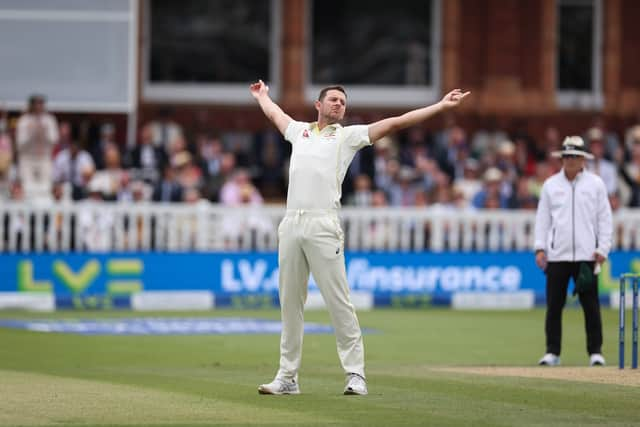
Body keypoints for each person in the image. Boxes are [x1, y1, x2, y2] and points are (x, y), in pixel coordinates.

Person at [250, 79, 469, 395]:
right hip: (291, 224)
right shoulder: (300, 131)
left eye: (343, 101)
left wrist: (440, 106)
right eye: (334, 100)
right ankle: (287, 377)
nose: (339, 104)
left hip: (324, 225)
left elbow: (394, 123)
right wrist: (263, 96)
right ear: (319, 105)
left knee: (339, 303)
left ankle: (355, 375)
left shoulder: (347, 136)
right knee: (290, 304)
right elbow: (275, 115)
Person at [534, 136, 613, 367]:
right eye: (567, 156)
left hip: (587, 255)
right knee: (554, 305)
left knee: (591, 305)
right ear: (562, 158)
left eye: (575, 156)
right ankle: (552, 352)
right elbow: (542, 220)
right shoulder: (551, 185)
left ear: (583, 159)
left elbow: (605, 219)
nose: (570, 160)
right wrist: (540, 248)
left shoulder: (595, 184)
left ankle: (595, 352)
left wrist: (602, 248)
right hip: (557, 255)